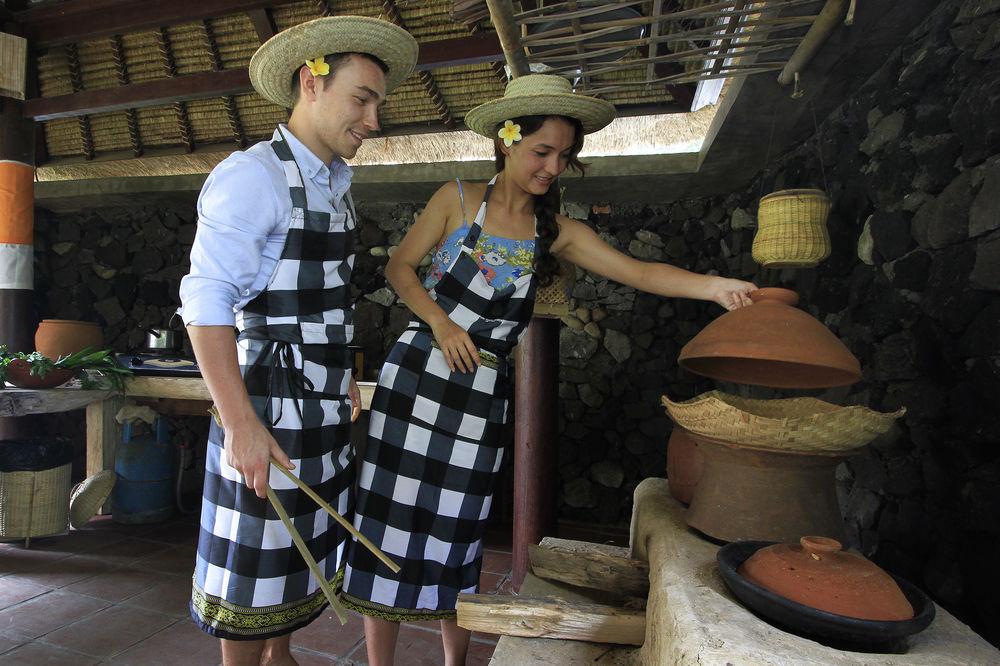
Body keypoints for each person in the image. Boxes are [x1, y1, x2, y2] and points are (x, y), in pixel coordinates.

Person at [339, 74, 758, 665]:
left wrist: (715, 287)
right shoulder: (455, 198)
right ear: (507, 141)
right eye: (542, 152)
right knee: (386, 518)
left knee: (458, 531)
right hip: (416, 379)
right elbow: (400, 270)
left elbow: (638, 271)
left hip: (478, 394)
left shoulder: (552, 233)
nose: (553, 167)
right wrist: (442, 323)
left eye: (564, 156)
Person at [177, 16, 417, 666]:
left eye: (378, 104)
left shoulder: (335, 186)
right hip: (265, 410)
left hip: (318, 411)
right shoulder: (252, 176)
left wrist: (337, 371)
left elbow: (318, 300)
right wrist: (240, 425)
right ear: (312, 82)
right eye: (362, 99)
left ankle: (280, 657)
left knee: (294, 560)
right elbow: (205, 306)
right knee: (253, 572)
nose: (373, 119)